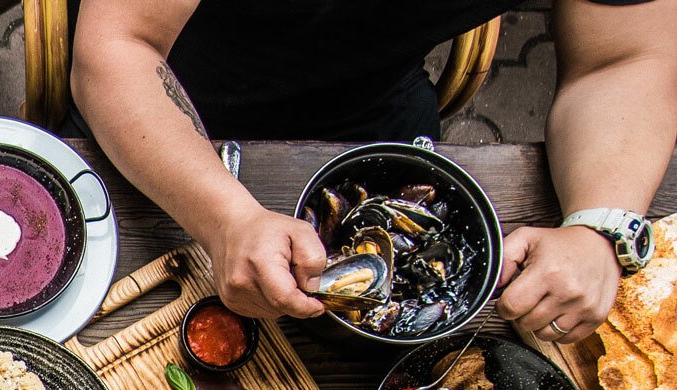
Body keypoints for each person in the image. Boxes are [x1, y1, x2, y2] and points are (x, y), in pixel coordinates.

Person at [71, 0, 677, 343]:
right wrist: (227, 218)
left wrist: (602, 225)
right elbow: (118, 49)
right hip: (163, 103)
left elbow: (623, 58)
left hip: (372, 110)